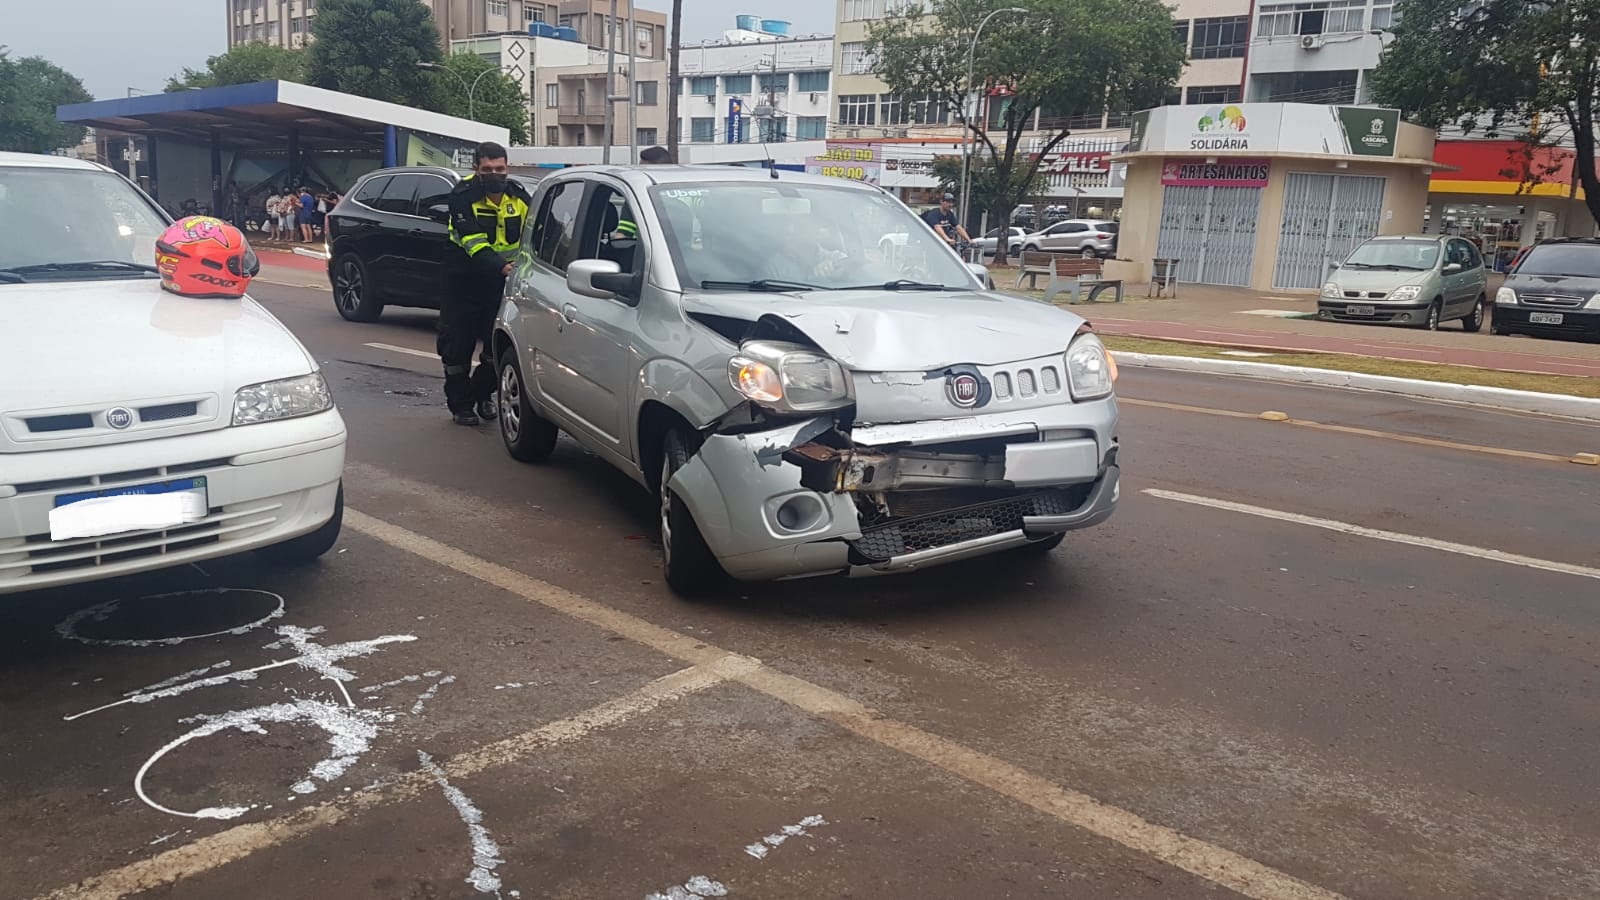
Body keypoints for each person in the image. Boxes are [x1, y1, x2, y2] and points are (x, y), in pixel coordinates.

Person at [441, 140, 533, 427]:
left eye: (500, 169)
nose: (495, 174)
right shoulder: (462, 196)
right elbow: (472, 240)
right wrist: (503, 267)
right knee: (457, 348)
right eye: (488, 169)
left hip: (500, 285)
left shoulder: (518, 195)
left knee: (496, 349)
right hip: (463, 282)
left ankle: (482, 394)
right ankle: (460, 405)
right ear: (476, 169)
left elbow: (536, 232)